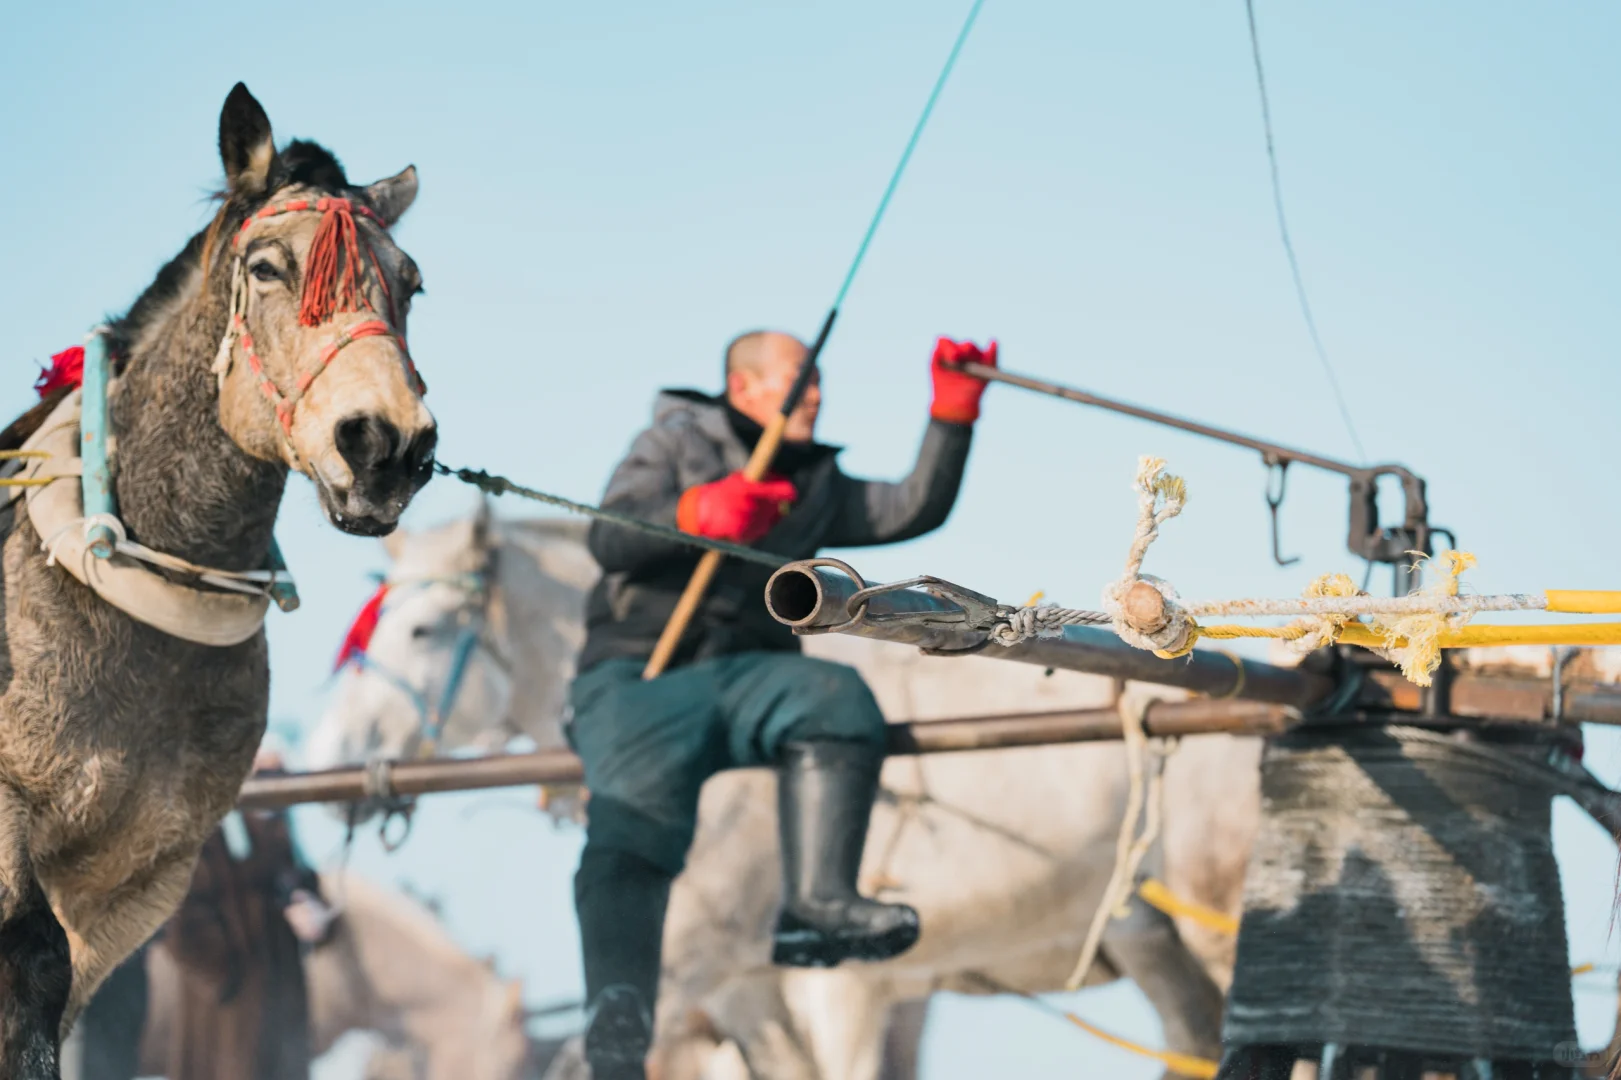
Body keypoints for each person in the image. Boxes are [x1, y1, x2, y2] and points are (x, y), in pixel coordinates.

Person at [568, 330, 996, 1078]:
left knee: (834, 698)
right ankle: (617, 1007)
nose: (819, 395)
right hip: (642, 675)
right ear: (743, 388)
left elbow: (906, 509)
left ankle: (818, 906)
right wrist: (697, 512)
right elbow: (610, 534)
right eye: (802, 380)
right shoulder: (671, 440)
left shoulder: (810, 479)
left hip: (754, 677)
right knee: (632, 827)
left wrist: (951, 414)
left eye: (820, 381)